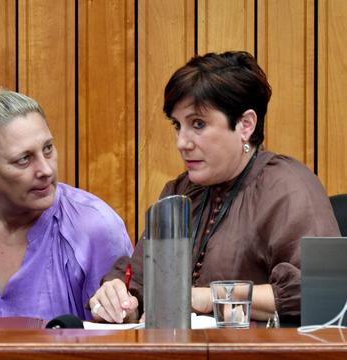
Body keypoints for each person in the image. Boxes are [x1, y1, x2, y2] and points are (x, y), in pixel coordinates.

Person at [89, 51, 340, 324]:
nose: (182, 142)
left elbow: (322, 292)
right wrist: (118, 300)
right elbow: (138, 284)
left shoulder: (289, 187)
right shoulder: (180, 192)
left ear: (245, 125)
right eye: (177, 125)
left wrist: (207, 298)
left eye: (198, 124)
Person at [0, 79, 133, 320]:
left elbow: (123, 334)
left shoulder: (95, 226)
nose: (46, 170)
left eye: (48, 149)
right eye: (24, 159)